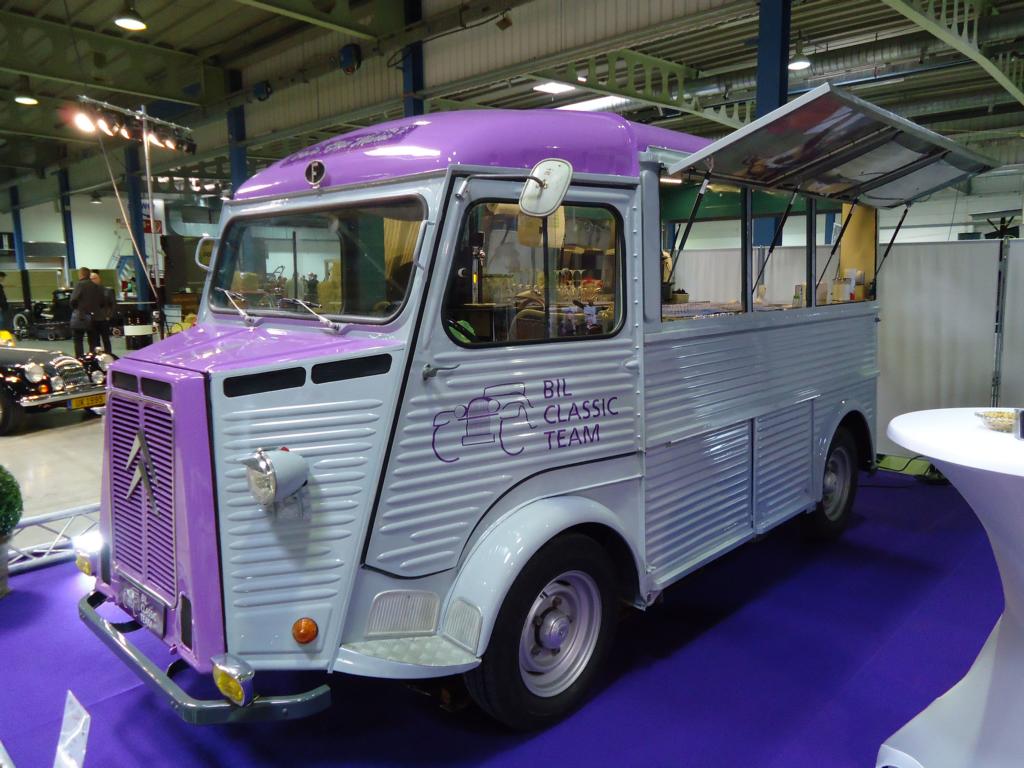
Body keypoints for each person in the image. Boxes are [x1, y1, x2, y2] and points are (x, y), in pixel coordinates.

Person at [69, 266, 105, 357]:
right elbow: (102, 302)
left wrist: (76, 308)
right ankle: (92, 358)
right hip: (94, 317)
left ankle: (80, 358)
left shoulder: (80, 284)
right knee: (93, 341)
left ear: (81, 274)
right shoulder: (97, 286)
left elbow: (73, 299)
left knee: (78, 340)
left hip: (81, 317)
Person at [89, 271, 115, 355]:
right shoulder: (87, 292)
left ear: (99, 279)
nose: (93, 280)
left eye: (94, 278)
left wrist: (109, 316)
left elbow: (112, 304)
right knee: (94, 340)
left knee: (106, 339)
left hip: (104, 319)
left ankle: (109, 354)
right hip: (92, 319)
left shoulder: (107, 291)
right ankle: (96, 355)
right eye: (91, 279)